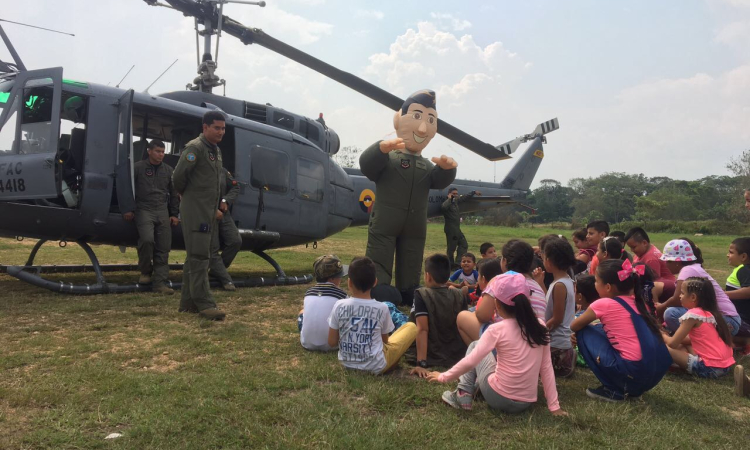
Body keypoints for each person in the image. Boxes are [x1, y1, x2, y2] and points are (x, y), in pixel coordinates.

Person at [411, 273, 566, 416]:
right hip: (526, 402)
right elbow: (546, 367)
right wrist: (554, 406)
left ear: (497, 305)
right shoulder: (540, 326)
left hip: (498, 397)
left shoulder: (497, 329)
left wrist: (443, 377)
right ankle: (476, 385)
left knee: (474, 346)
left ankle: (462, 395)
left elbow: (472, 360)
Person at [359, 90, 457, 306]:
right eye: (417, 117)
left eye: (430, 120)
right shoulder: (389, 159)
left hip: (415, 226)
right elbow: (367, 166)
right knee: (380, 252)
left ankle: (409, 286)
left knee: (412, 256)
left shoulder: (426, 165)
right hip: (385, 221)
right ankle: (379, 284)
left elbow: (438, 181)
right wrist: (379, 149)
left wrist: (447, 170)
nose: (423, 128)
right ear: (399, 120)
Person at [571, 259, 672, 402]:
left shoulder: (603, 303)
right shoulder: (639, 303)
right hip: (654, 373)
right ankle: (630, 388)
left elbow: (574, 326)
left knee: (584, 331)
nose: (594, 284)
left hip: (633, 372)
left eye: (596, 281)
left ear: (607, 287)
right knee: (600, 328)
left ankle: (614, 390)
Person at [173, 111, 227, 321]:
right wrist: (189, 198)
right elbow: (178, 178)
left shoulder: (215, 150)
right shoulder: (195, 148)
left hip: (206, 210)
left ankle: (187, 303)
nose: (221, 132)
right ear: (205, 127)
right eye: (216, 128)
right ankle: (204, 303)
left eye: (223, 128)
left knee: (195, 256)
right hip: (196, 210)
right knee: (200, 257)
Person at [327, 257, 418, 374]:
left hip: (346, 364)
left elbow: (332, 342)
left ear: (349, 282)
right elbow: (385, 341)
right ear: (375, 282)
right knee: (411, 326)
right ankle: (392, 362)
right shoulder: (382, 308)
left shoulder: (339, 305)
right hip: (377, 366)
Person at [456, 240, 546, 345]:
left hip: (507, 344)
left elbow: (482, 315)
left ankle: (486, 359)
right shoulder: (537, 286)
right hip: (535, 342)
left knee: (462, 317)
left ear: (505, 261)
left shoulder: (499, 281)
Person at [123, 139, 180, 294]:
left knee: (163, 247)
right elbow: (127, 188)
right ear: (149, 151)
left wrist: (174, 214)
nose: (161, 154)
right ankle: (146, 271)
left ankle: (160, 283)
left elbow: (174, 194)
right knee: (147, 240)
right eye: (158, 151)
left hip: (162, 210)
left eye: (163, 152)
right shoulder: (138, 168)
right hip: (143, 209)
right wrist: (128, 209)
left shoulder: (168, 170)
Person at [659, 238, 742, 336]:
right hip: (727, 319)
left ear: (677, 262)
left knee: (671, 313)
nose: (665, 264)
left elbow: (677, 300)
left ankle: (689, 341)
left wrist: (661, 307)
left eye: (668, 261)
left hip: (727, 320)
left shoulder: (687, 270)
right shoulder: (692, 268)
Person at [662, 277, 735, 378]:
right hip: (724, 367)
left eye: (682, 293)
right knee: (683, 345)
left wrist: (661, 335)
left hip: (708, 368)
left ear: (693, 297)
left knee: (664, 347)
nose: (679, 296)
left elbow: (672, 343)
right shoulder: (711, 313)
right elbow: (689, 340)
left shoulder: (692, 315)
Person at [411, 254, 468, 368]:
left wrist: (421, 362)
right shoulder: (460, 294)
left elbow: (422, 329)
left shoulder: (422, 294)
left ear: (428, 276)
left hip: (431, 352)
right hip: (456, 353)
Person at [542, 238, 577, 378]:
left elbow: (557, 319)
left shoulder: (559, 285)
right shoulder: (567, 280)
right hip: (562, 342)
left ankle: (563, 363)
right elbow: (551, 303)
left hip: (557, 343)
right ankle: (566, 358)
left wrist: (539, 331)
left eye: (543, 258)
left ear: (549, 262)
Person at [299, 255, 348, 351]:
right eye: (339, 275)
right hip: (332, 345)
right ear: (332, 278)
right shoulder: (342, 296)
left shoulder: (309, 293)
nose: (341, 278)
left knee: (302, 312)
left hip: (307, 344)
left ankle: (309, 337)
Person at [208, 168, 242, 291]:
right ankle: (226, 279)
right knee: (213, 248)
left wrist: (225, 200)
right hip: (206, 212)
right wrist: (212, 209)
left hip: (223, 213)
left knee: (235, 241)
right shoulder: (199, 169)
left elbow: (235, 186)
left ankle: (216, 271)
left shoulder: (222, 171)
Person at [624, 227, 676, 302]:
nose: (632, 250)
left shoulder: (651, 259)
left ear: (644, 243)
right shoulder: (642, 253)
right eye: (630, 248)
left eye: (634, 247)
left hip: (664, 293)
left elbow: (651, 284)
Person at [725, 237, 750, 353]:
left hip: (743, 322)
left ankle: (745, 341)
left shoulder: (744, 270)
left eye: (731, 252)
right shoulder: (742, 270)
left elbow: (748, 291)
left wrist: (723, 294)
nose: (727, 255)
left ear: (743, 256)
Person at [442, 187, 478, 267]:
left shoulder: (455, 202)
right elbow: (443, 208)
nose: (455, 195)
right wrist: (450, 199)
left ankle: (458, 263)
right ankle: (450, 265)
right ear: (449, 194)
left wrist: (473, 192)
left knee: (464, 244)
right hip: (451, 230)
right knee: (451, 248)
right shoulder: (448, 203)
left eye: (456, 194)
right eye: (453, 194)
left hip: (457, 229)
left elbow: (464, 197)